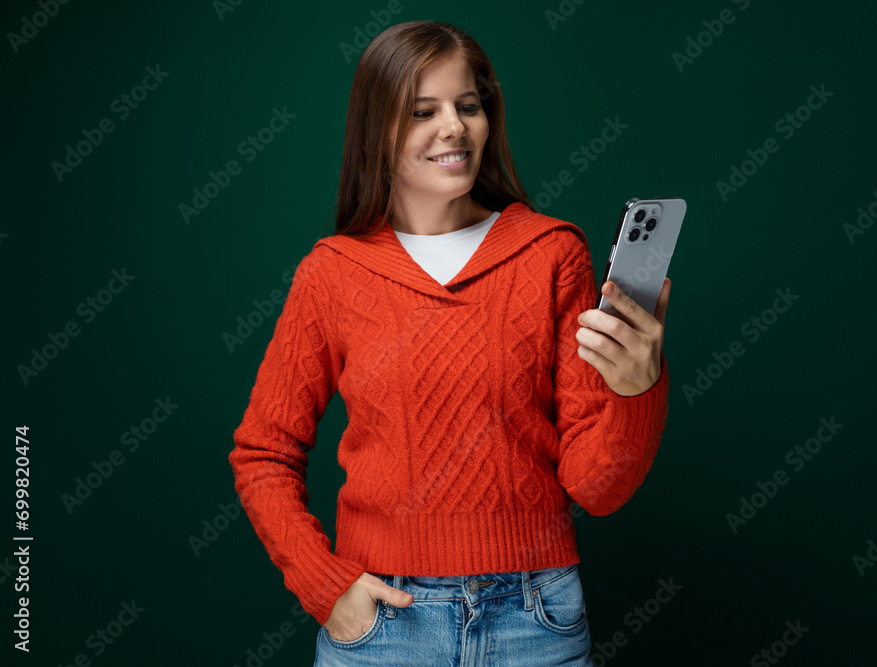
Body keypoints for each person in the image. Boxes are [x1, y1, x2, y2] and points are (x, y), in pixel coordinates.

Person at [229, 19, 671, 667]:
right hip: (383, 626)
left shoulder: (551, 254)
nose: (455, 128)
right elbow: (263, 452)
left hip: (536, 617)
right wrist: (325, 586)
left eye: (468, 106)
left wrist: (638, 392)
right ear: (376, 130)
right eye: (422, 111)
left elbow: (595, 488)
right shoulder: (332, 271)